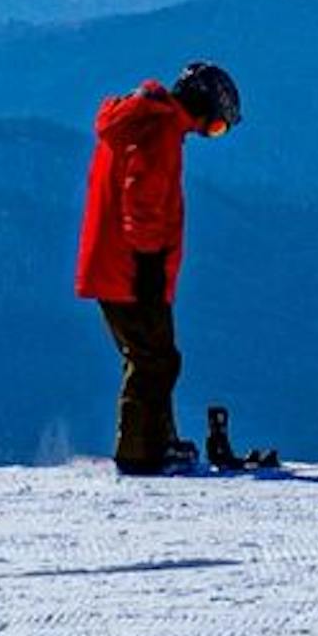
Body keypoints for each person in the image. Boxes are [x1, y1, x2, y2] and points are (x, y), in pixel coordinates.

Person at [74, 61, 243, 475]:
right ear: (202, 105)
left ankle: (158, 441)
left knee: (153, 356)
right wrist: (149, 262)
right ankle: (140, 453)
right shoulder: (161, 130)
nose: (208, 134)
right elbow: (143, 198)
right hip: (130, 269)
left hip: (113, 264)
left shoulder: (141, 120)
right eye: (215, 126)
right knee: (154, 360)